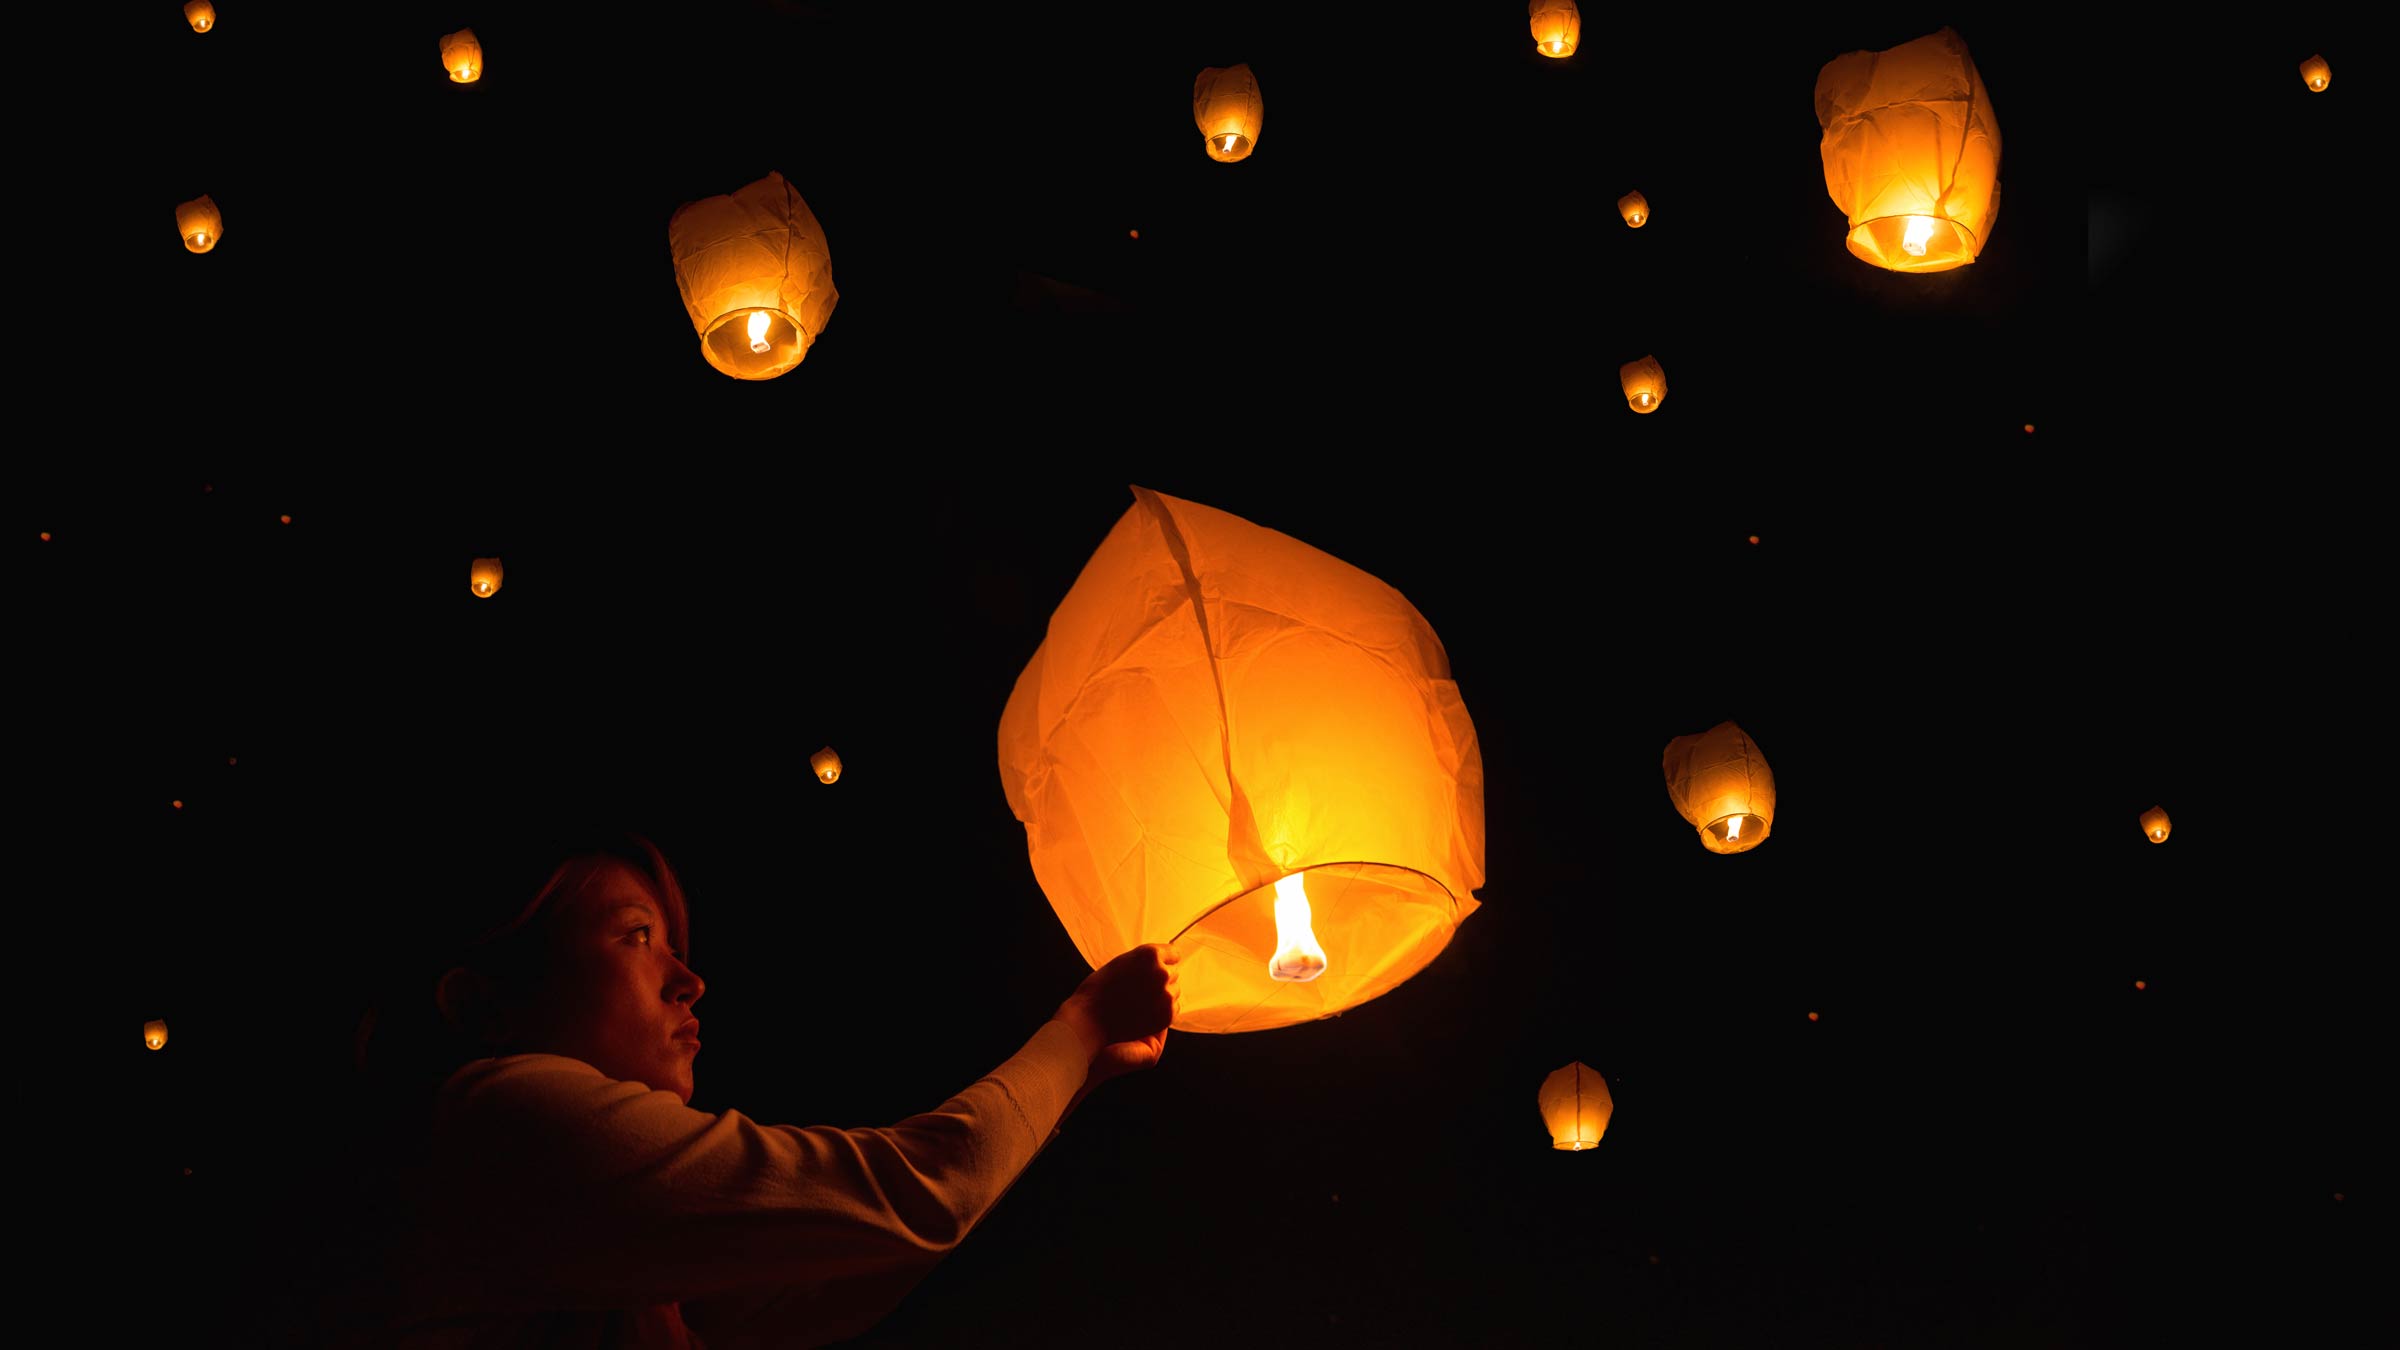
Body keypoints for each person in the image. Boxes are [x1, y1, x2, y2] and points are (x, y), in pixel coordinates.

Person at [322, 827, 1176, 1348]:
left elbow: (833, 1276)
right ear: (486, 1004)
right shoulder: (501, 1119)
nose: (688, 980)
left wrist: (1079, 1070)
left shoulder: (585, 1229)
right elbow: (914, 1199)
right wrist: (1080, 1027)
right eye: (636, 937)